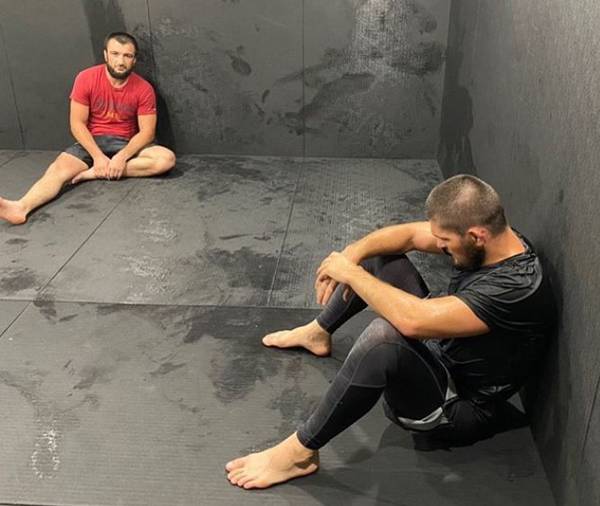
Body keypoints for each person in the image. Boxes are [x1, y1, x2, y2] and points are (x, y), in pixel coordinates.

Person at [225, 174, 554, 490]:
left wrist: (351, 274)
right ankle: (317, 332)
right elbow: (409, 235)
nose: (441, 248)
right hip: (445, 351)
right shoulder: (498, 239)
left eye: (446, 244)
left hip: (458, 407)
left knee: (382, 339)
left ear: (476, 236)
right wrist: (354, 253)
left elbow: (413, 322)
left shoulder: (513, 290)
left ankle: (299, 453)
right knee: (377, 256)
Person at [0, 31, 175, 225]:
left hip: (126, 142)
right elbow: (77, 123)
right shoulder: (86, 78)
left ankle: (95, 172)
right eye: (115, 54)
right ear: (106, 55)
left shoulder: (143, 88)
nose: (121, 61)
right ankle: (21, 207)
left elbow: (147, 132)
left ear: (134, 60)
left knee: (165, 160)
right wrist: (98, 156)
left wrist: (122, 157)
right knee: (58, 170)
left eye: (127, 56)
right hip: (92, 141)